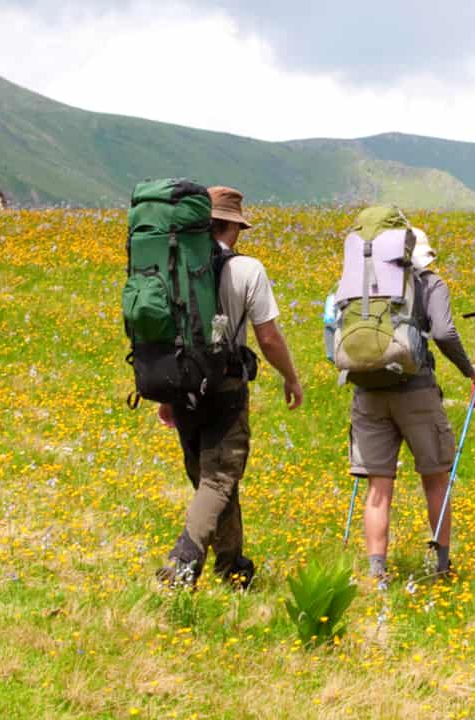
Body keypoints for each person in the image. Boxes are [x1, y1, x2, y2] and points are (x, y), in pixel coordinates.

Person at [156, 186, 303, 589]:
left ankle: (232, 566)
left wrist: (167, 394)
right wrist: (290, 377)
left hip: (182, 382)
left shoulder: (174, 265)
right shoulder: (247, 269)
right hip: (226, 384)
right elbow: (269, 337)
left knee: (211, 479)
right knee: (219, 479)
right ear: (233, 227)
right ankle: (183, 562)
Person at [349, 227, 475, 584]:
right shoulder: (430, 283)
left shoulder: (365, 280)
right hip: (416, 389)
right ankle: (441, 567)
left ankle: (377, 573)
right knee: (436, 478)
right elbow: (443, 332)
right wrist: (469, 369)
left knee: (378, 488)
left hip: (367, 390)